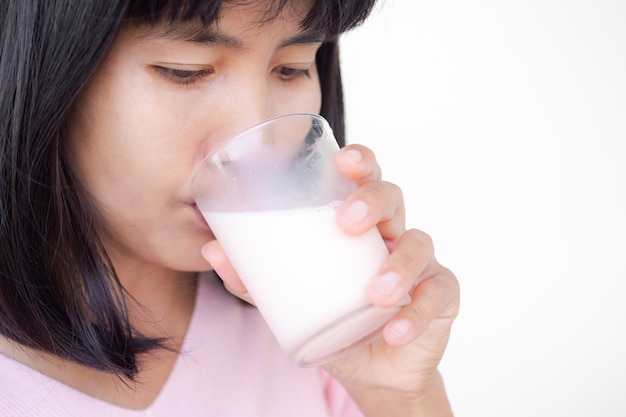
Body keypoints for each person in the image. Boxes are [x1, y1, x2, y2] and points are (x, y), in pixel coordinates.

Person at [0, 0, 460, 415]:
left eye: (293, 69)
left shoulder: (312, 327)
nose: (258, 145)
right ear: (45, 71)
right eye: (186, 70)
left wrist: (398, 397)